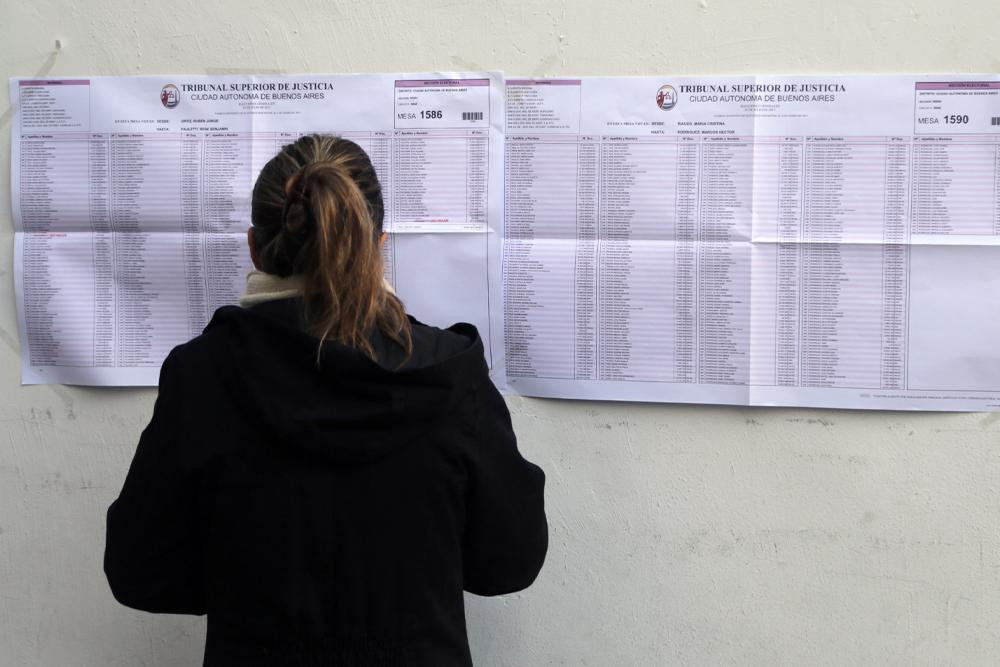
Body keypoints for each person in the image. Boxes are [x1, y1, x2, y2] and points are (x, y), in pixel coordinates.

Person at [104, 134, 548, 666]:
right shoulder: (450, 374)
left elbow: (140, 572)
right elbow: (510, 563)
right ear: (376, 243)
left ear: (254, 246)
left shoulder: (202, 376)